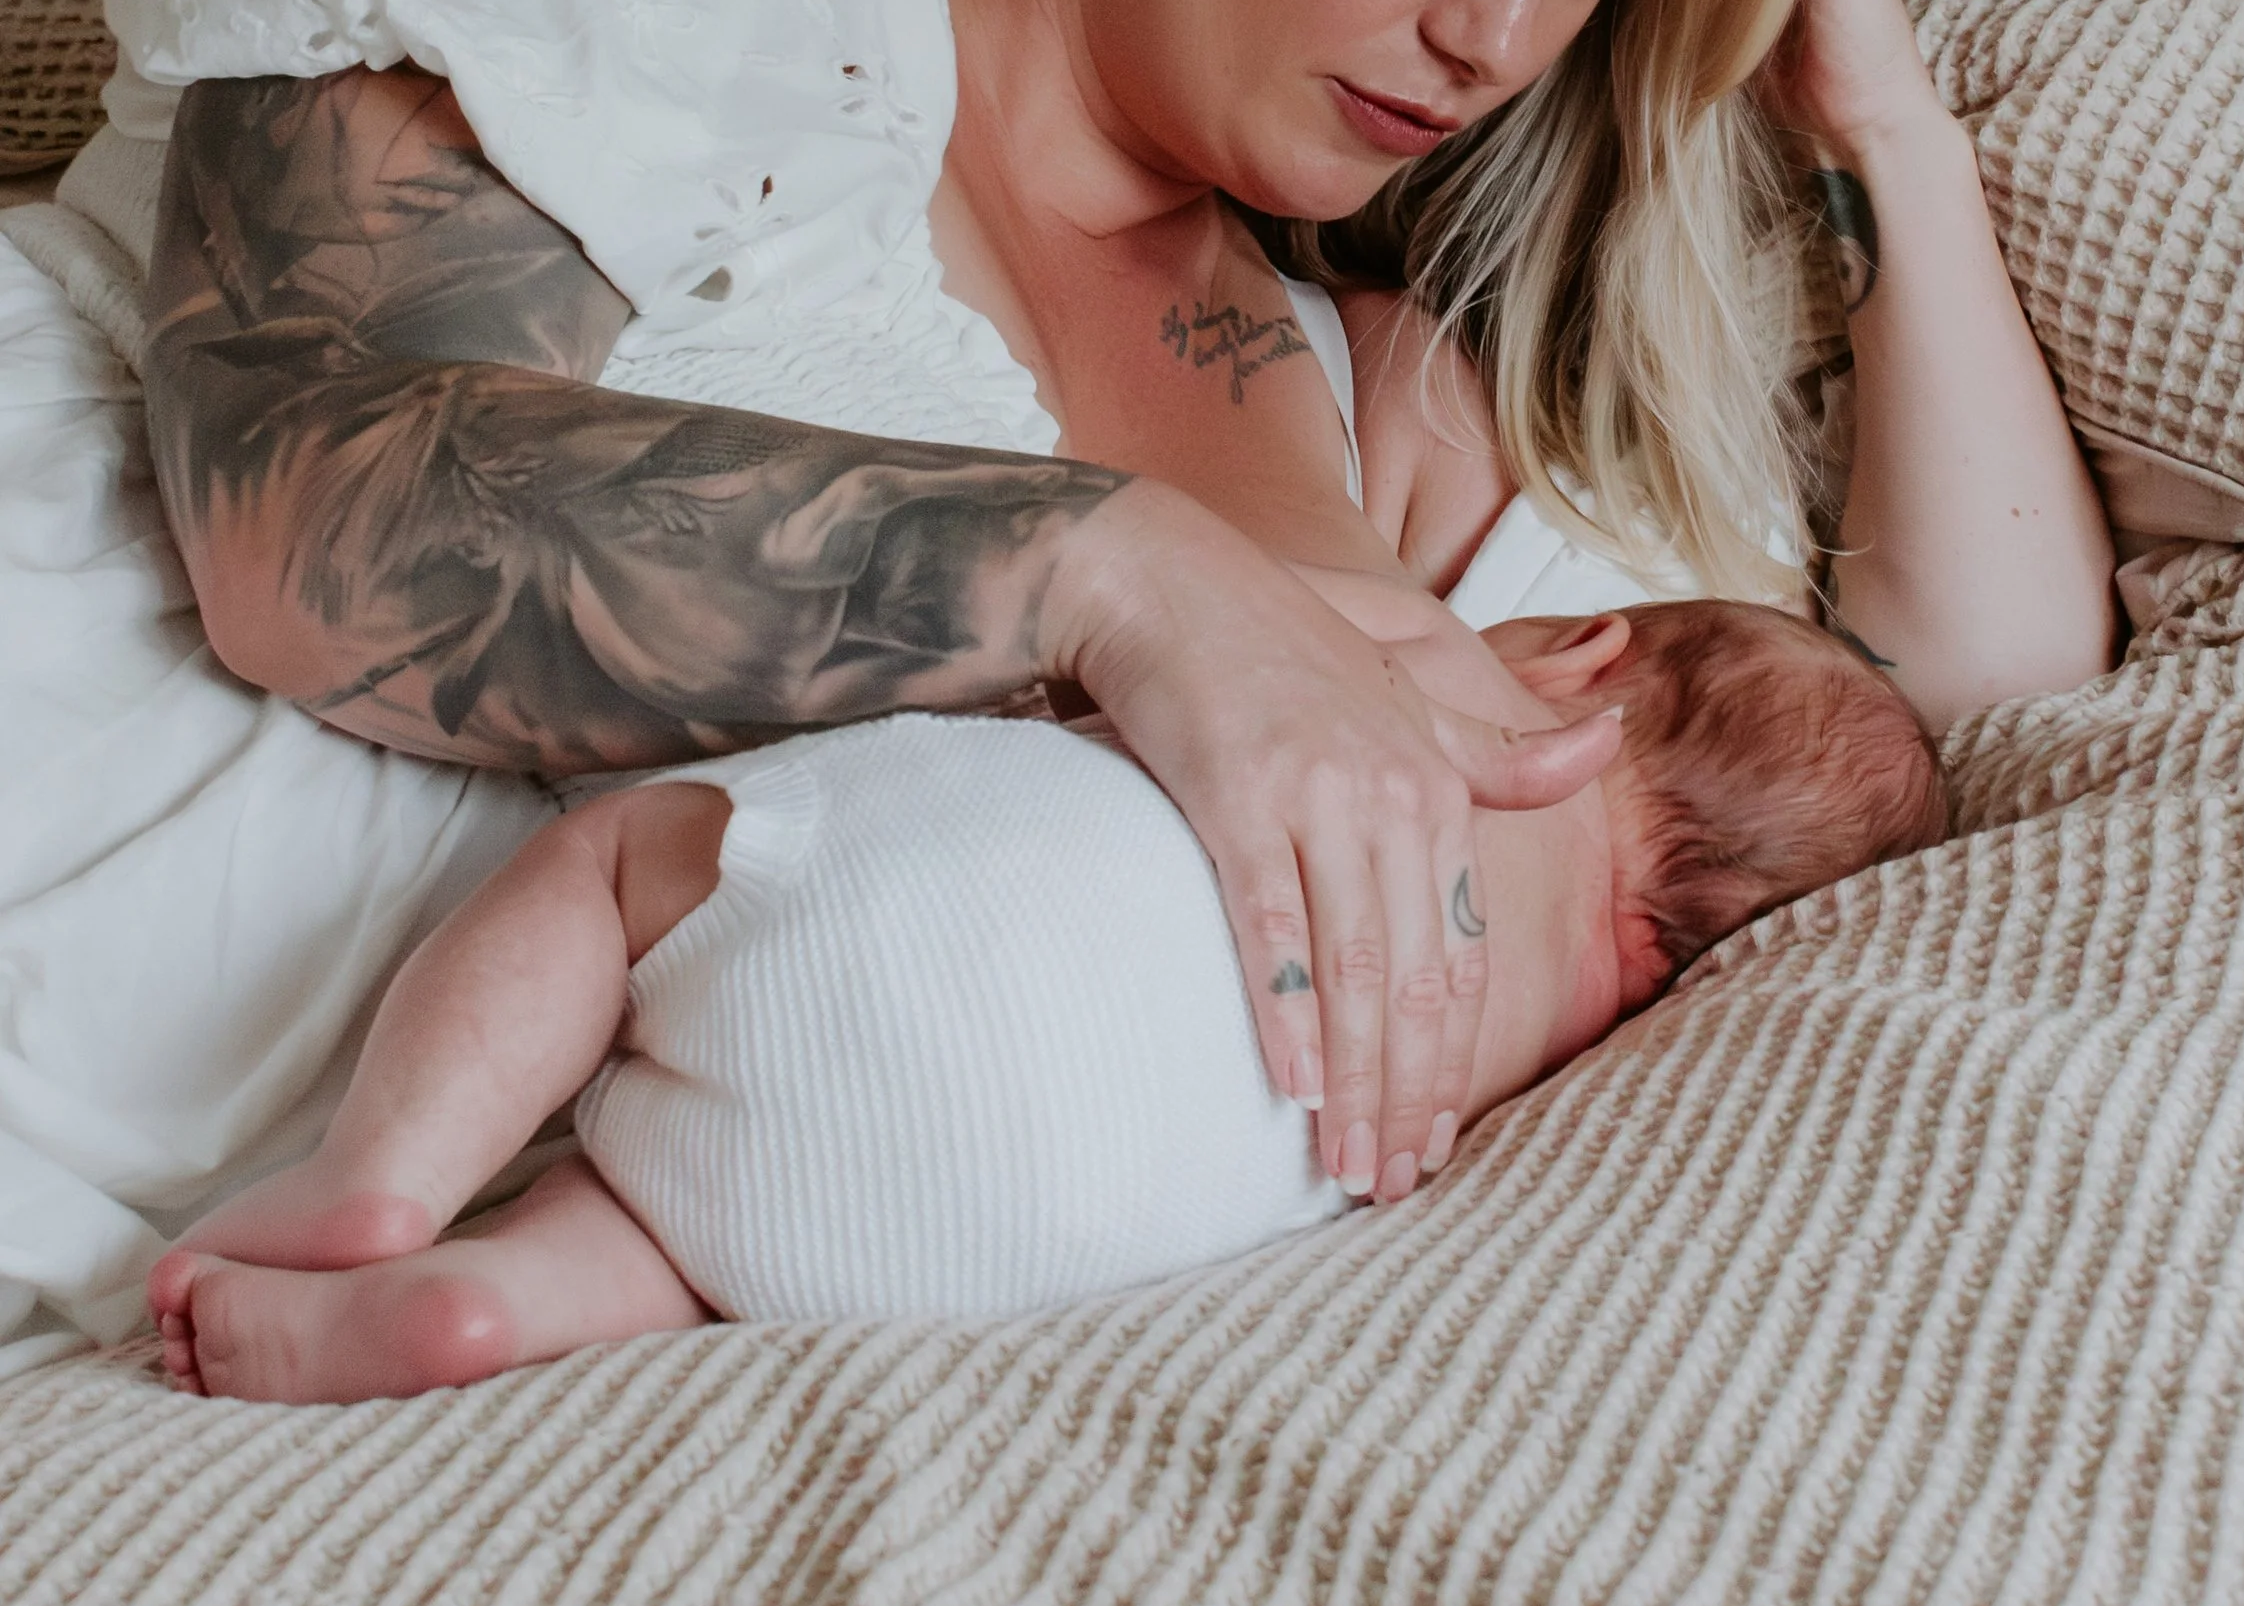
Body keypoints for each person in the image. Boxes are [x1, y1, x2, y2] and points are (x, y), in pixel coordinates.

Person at [125, 0, 2115, 1225]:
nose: (1495, 37)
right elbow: (304, 523)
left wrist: (1873, 116)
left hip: (340, 1233)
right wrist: (1108, 571)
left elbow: (1974, 708)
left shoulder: (1369, 392)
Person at [149, 587, 1948, 1403]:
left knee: (617, 870)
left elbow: (1158, 623)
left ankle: (392, 1168)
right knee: (687, 1230)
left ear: (1585, 650)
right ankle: (494, 1302)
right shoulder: (1534, 1066)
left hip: (940, 918)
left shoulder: (1427, 657)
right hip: (998, 1236)